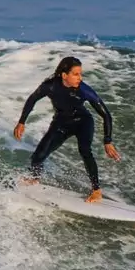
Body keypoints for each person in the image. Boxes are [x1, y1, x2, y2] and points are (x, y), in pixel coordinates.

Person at [13, 56, 121, 202]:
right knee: (39, 155)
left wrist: (107, 141)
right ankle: (35, 179)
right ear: (65, 75)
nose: (80, 78)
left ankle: (96, 190)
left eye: (80, 74)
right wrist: (21, 122)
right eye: (76, 74)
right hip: (61, 123)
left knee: (85, 151)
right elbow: (32, 99)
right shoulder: (50, 86)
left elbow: (106, 114)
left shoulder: (84, 90)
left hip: (83, 122)